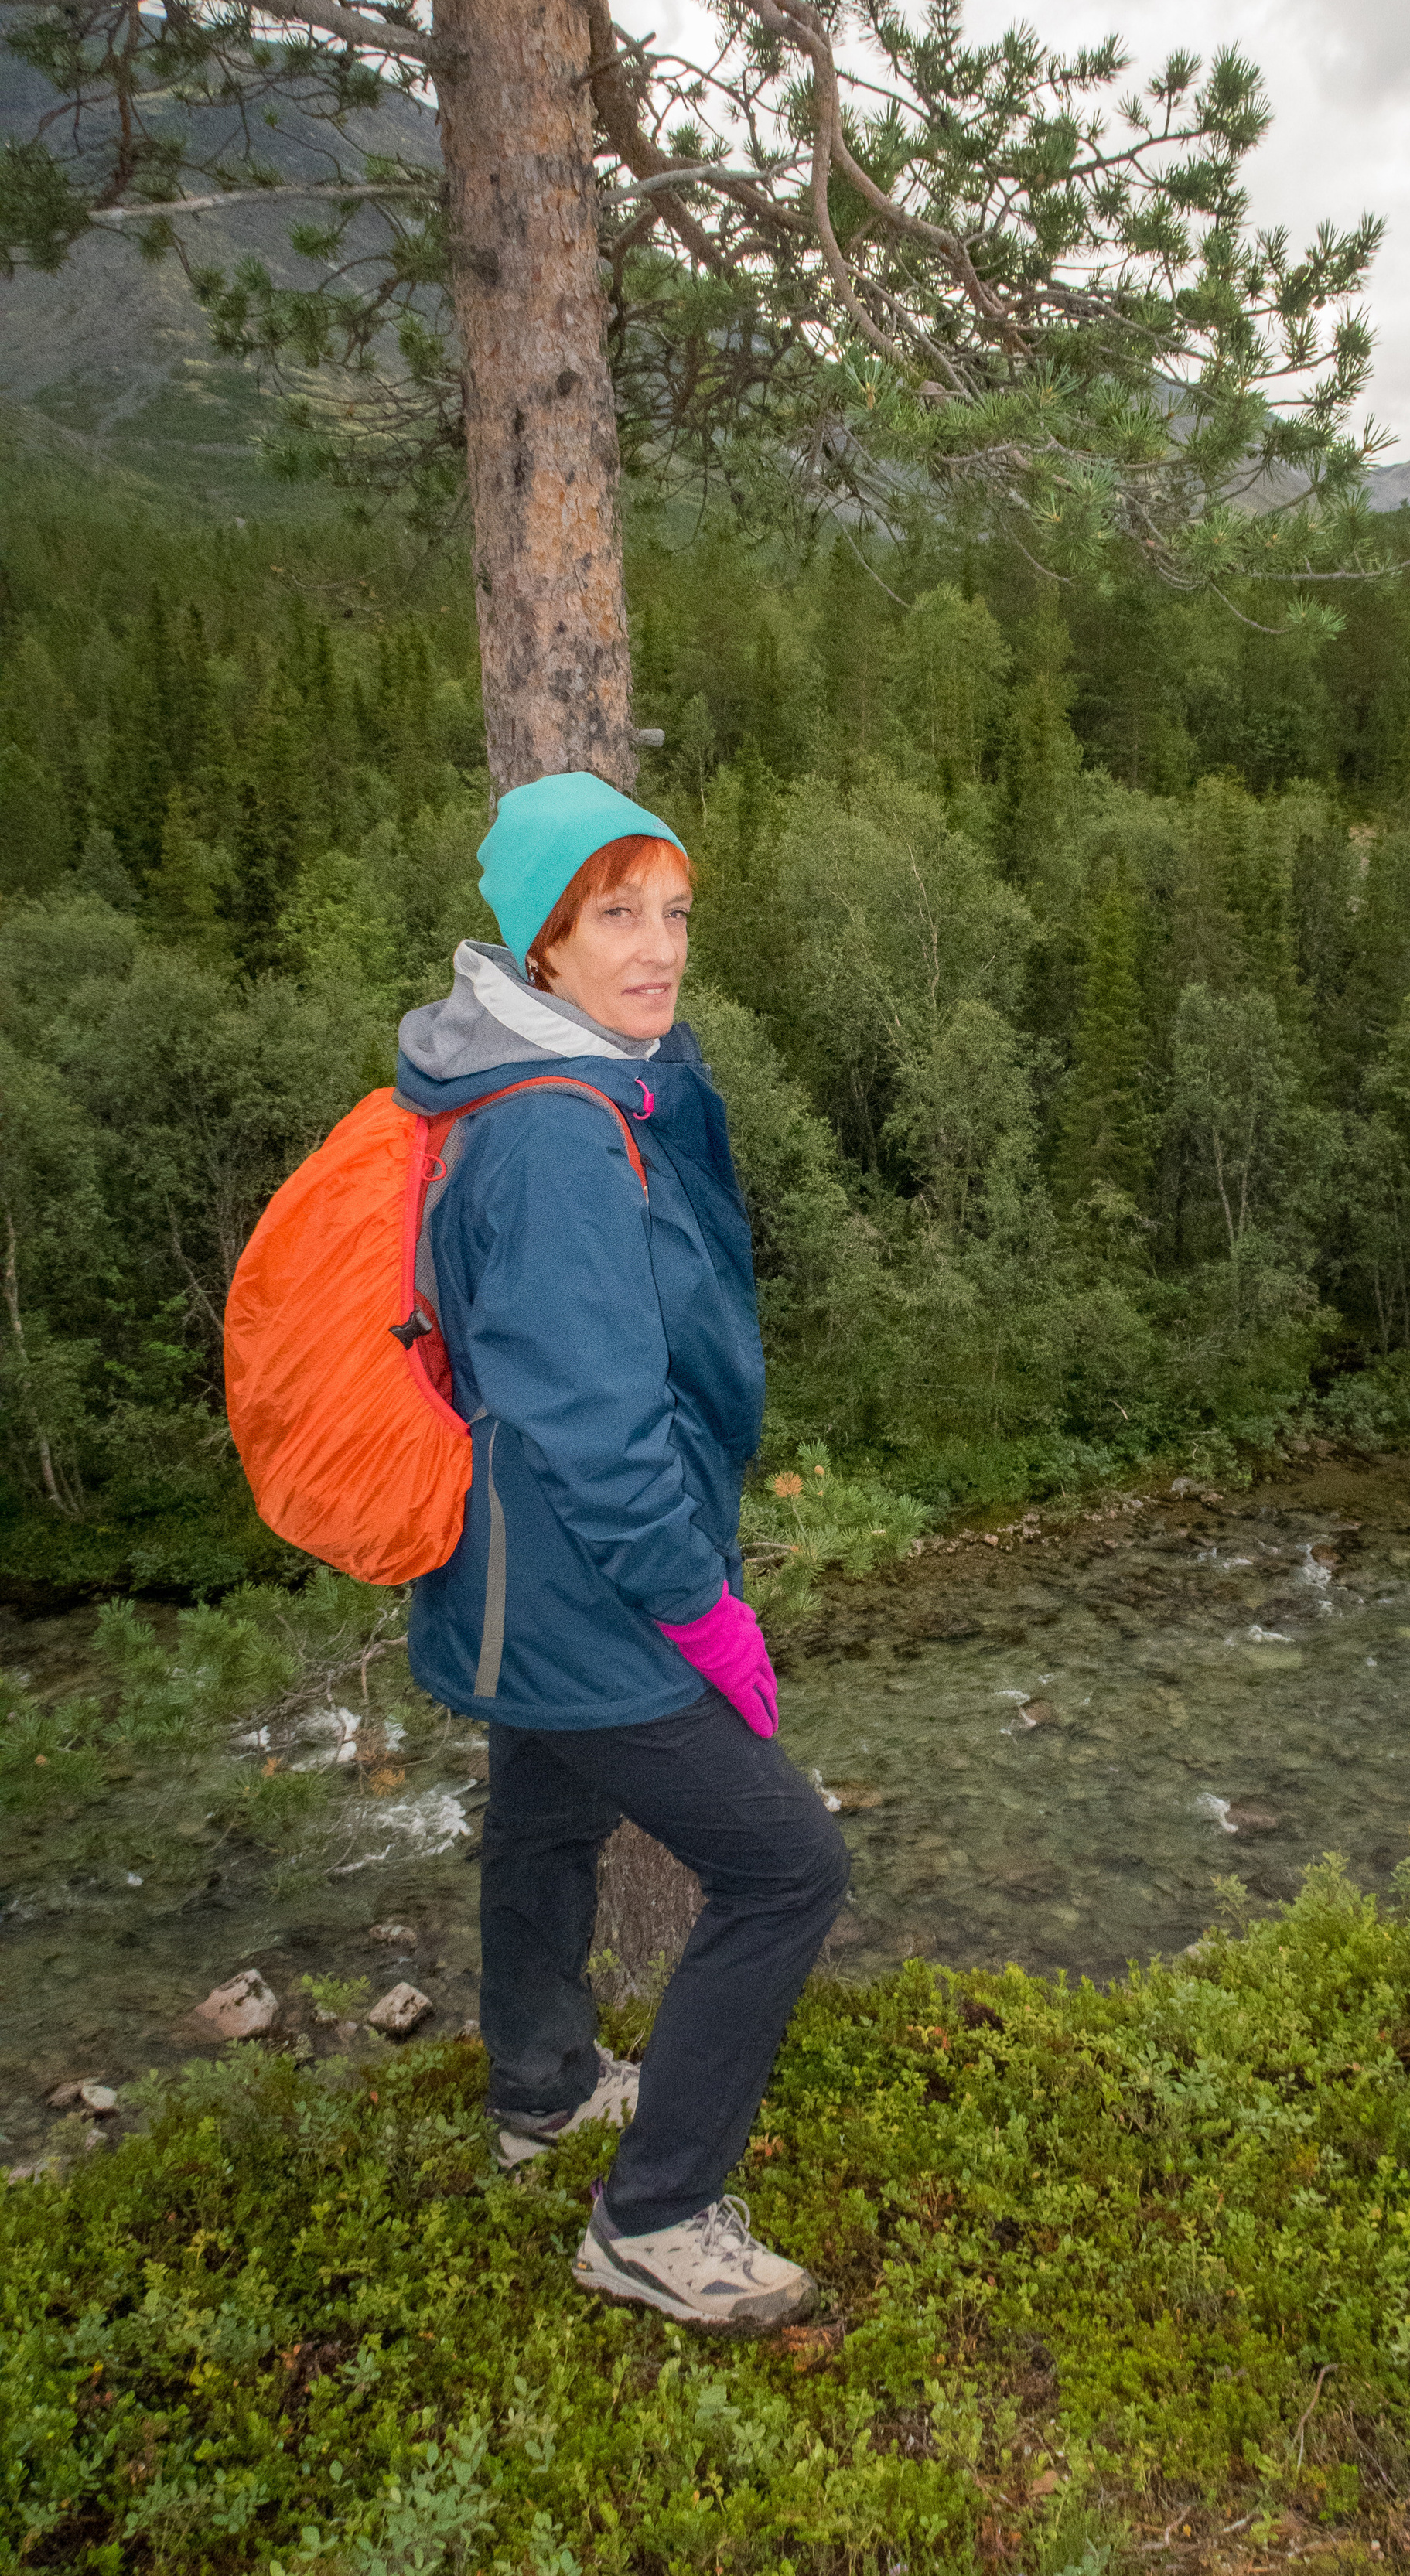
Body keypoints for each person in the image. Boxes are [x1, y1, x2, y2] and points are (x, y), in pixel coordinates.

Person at [395, 769, 848, 2332]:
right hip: (586, 1581)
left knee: (544, 1818)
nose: (657, 948)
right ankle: (652, 2221)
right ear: (544, 941)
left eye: (673, 912)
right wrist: (697, 1607)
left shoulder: (545, 1076)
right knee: (787, 1868)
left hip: (514, 1570)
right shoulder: (556, 1134)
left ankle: (539, 2088)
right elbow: (598, 1427)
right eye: (614, 915)